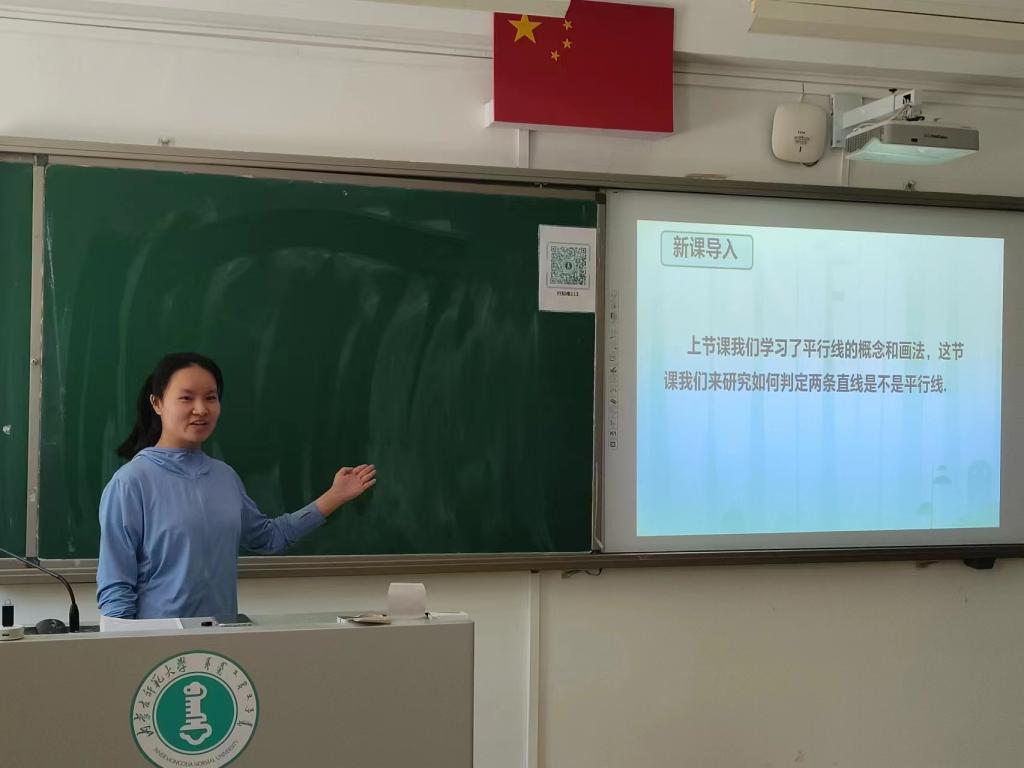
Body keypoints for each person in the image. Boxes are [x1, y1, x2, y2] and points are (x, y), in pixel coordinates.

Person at [97, 352, 376, 620]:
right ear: (157, 403)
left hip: (221, 639)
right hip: (159, 641)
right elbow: (116, 586)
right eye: (186, 398)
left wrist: (335, 496)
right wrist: (124, 644)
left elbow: (269, 538)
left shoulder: (224, 477)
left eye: (211, 398)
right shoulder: (131, 483)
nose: (200, 409)